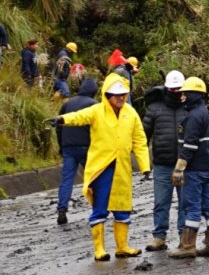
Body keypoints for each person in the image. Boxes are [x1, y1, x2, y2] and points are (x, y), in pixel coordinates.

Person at [50, 73, 150, 262]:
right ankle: (99, 249)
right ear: (107, 95)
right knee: (100, 208)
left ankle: (122, 247)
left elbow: (139, 140)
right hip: (102, 167)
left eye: (123, 94)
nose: (120, 98)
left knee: (122, 208)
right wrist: (62, 120)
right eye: (116, 94)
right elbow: (80, 116)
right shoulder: (97, 110)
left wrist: (145, 166)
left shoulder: (131, 113)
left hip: (122, 168)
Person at [170, 77, 209, 259]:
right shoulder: (205, 113)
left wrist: (179, 168)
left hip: (195, 169)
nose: (183, 96)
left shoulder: (193, 117)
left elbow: (189, 145)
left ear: (194, 95)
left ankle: (187, 246)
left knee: (192, 206)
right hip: (207, 167)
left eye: (185, 93)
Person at [142, 70, 188, 252]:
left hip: (185, 164)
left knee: (185, 203)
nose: (176, 92)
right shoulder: (154, 109)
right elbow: (142, 135)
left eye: (179, 89)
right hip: (162, 164)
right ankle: (159, 237)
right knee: (161, 202)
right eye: (173, 89)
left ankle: (184, 238)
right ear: (167, 89)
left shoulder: (189, 107)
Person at [55, 77, 99, 225]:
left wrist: (61, 146)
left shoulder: (68, 103)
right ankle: (96, 208)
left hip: (68, 147)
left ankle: (62, 209)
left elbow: (59, 125)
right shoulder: (94, 105)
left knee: (67, 179)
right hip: (87, 148)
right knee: (93, 179)